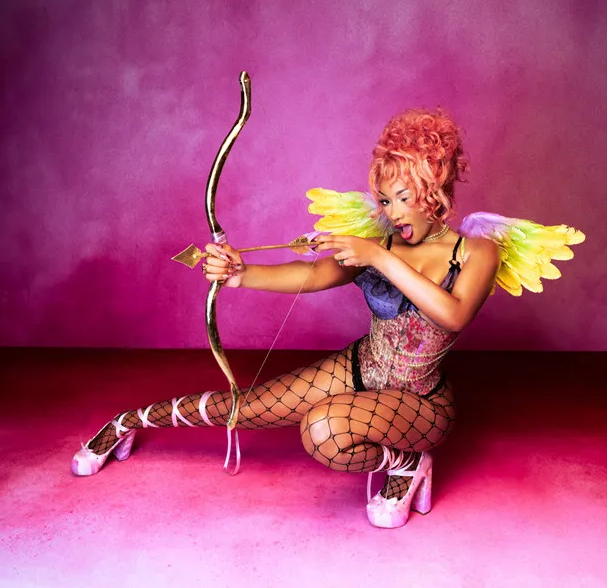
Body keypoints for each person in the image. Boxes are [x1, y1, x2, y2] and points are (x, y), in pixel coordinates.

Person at [72, 108, 500, 528]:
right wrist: (241, 274)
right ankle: (126, 422)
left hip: (421, 401)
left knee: (323, 430)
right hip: (362, 367)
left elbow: (454, 315)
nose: (394, 212)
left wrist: (377, 256)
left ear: (434, 189)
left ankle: (407, 465)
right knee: (249, 408)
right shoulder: (380, 243)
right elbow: (313, 275)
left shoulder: (476, 252)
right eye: (386, 200)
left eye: (404, 198)